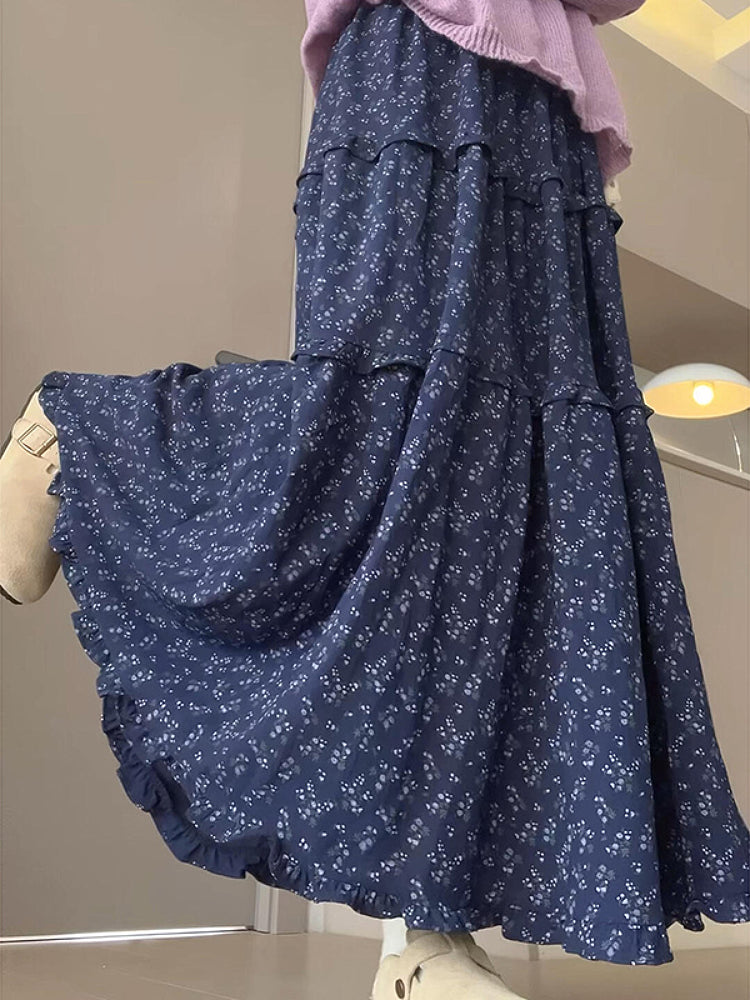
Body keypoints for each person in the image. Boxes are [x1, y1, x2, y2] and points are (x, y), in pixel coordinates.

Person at [1, 2, 748, 997]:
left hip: (546, 113)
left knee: (506, 494)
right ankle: (74, 436)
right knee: (385, 420)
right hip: (422, 56)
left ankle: (426, 936)